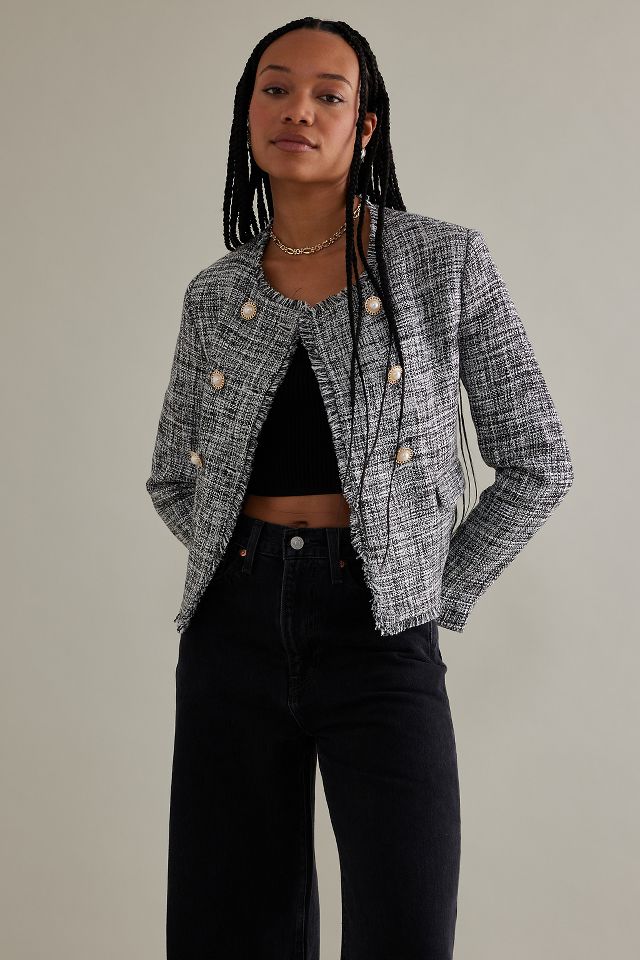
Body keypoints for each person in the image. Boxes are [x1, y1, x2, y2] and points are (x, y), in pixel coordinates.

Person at [146, 17, 574, 960]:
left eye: (328, 95)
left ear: (364, 125)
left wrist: (428, 588)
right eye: (274, 88)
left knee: (405, 926)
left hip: (383, 630)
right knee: (228, 932)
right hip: (230, 633)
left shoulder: (441, 262)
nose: (297, 110)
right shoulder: (215, 292)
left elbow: (538, 459)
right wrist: (241, 560)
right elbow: (173, 476)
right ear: (247, 114)